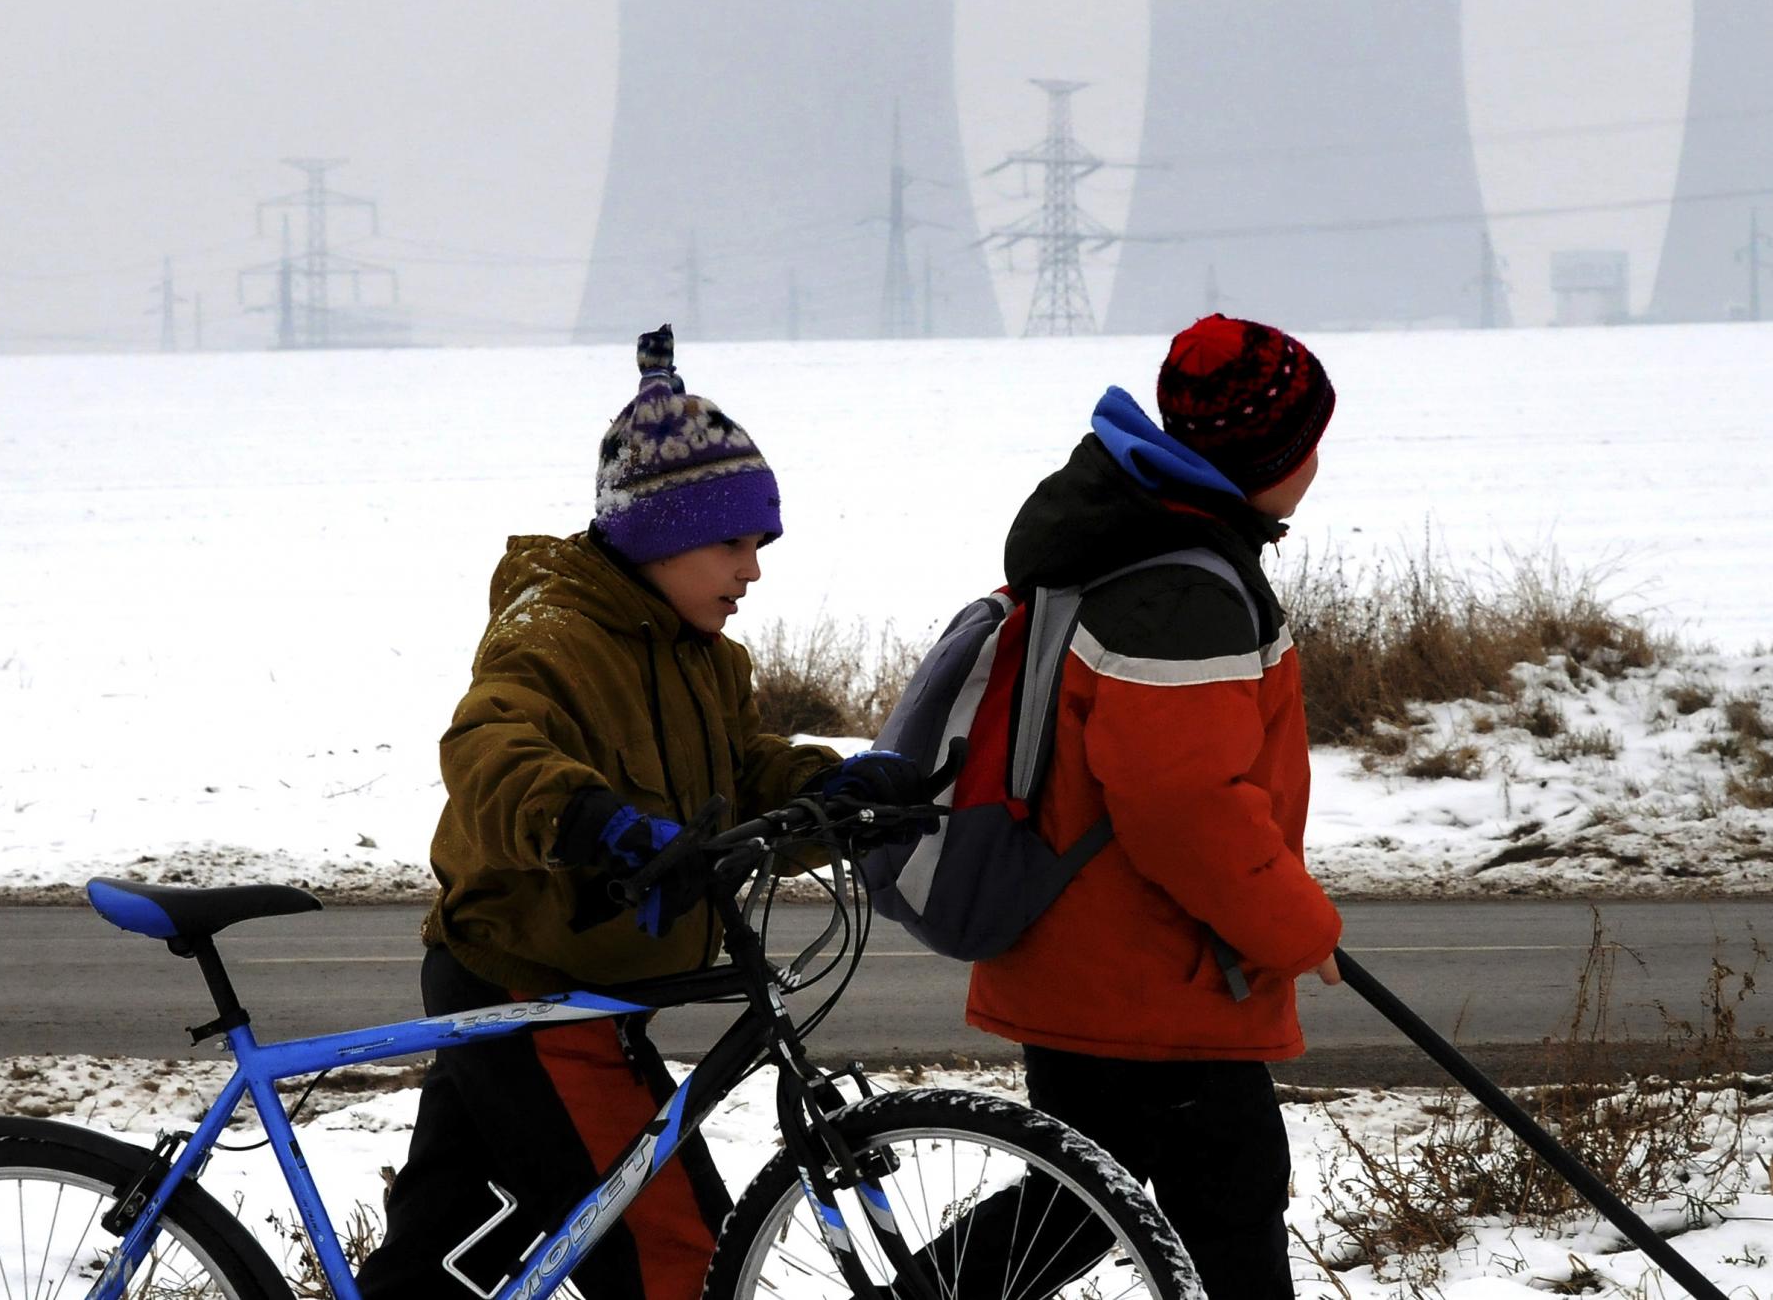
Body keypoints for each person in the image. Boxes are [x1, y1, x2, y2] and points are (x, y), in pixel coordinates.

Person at [357, 325, 923, 1300]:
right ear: (660, 533)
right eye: (733, 542)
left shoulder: (701, 652)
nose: (753, 570)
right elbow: (489, 748)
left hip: (577, 989)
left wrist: (829, 788)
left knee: (444, 1266)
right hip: (529, 989)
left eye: (760, 544)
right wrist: (593, 824)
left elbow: (737, 770)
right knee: (674, 1254)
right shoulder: (552, 632)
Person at [964, 313, 1345, 1300]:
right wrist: (1295, 925)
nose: (1315, 461)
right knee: (1225, 1205)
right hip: (1153, 972)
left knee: (1076, 1205)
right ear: (1269, 454)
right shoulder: (1180, 585)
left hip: (1094, 955)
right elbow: (1183, 808)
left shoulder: (1137, 533)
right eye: (1306, 441)